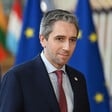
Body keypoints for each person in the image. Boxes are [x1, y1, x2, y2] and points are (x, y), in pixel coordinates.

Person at [0, 9, 90, 112]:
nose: (67, 47)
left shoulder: (79, 78)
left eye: (72, 40)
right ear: (43, 40)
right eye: (60, 39)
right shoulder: (17, 77)